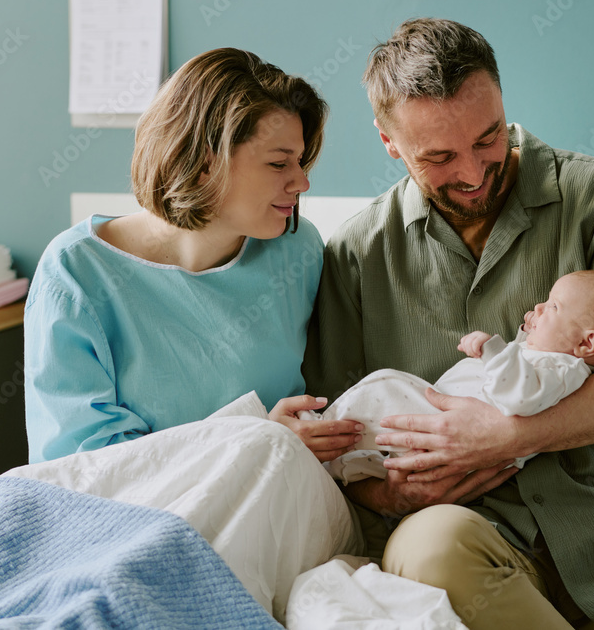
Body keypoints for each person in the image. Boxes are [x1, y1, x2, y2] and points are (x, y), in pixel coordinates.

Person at [303, 19, 594, 629]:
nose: (474, 173)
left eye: (489, 137)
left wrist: (509, 436)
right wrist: (390, 493)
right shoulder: (356, 254)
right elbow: (332, 437)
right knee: (428, 547)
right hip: (467, 535)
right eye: (439, 157)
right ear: (389, 142)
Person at [25, 47, 361, 464]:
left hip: (285, 493)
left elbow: (328, 398)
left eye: (301, 161)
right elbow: (84, 467)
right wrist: (255, 441)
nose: (302, 182)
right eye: (279, 164)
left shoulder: (296, 249)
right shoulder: (76, 274)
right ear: (205, 163)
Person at [317, 269, 594, 484]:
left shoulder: (564, 369)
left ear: (587, 343)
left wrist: (493, 349)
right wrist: (528, 333)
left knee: (387, 385)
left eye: (553, 307)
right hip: (446, 432)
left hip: (450, 430)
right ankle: (341, 462)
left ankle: (323, 429)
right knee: (381, 434)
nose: (538, 307)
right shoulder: (551, 362)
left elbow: (520, 396)